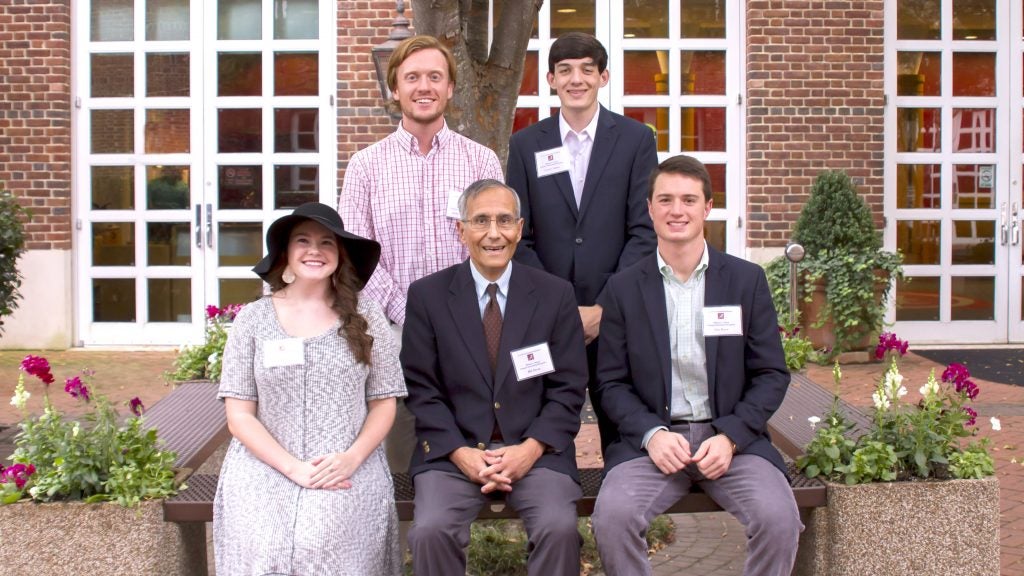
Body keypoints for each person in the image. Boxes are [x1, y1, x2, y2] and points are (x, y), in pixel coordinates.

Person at [590, 155, 802, 576]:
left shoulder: (745, 281)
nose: (676, 210)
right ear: (649, 208)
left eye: (689, 199)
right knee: (611, 520)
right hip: (652, 447)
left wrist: (730, 437)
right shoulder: (622, 289)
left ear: (707, 208)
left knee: (779, 520)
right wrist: (651, 435)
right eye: (665, 199)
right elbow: (609, 382)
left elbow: (771, 374)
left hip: (732, 443)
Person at [401, 179, 588, 576]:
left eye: (504, 221)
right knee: (430, 531)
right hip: (454, 455)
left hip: (538, 455)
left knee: (559, 528)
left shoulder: (555, 295)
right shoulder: (427, 297)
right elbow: (422, 390)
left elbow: (568, 388)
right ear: (461, 229)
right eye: (481, 220)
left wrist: (531, 448)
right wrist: (459, 452)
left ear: (519, 229)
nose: (493, 233)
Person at [339, 34, 504, 474]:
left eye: (435, 76)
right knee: (398, 454)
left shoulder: (481, 162)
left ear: (450, 87)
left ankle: (457, 540)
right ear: (394, 88)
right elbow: (355, 254)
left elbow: (494, 245)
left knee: (470, 449)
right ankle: (403, 541)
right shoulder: (365, 166)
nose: (423, 86)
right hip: (391, 328)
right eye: (412, 77)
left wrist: (449, 312)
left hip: (468, 325)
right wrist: (407, 309)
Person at [213, 202, 406, 576]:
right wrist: (292, 468)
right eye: (303, 241)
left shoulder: (366, 316)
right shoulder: (252, 320)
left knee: (323, 543)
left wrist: (351, 458)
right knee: (266, 545)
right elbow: (239, 416)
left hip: (345, 463)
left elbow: (384, 403)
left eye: (326, 243)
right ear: (285, 253)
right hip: (263, 465)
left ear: (340, 255)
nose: (314, 251)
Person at [505, 31, 658, 448]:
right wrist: (562, 307)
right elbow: (519, 233)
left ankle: (621, 504)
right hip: (546, 314)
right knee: (546, 422)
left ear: (603, 77)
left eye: (587, 70)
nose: (577, 79)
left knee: (621, 424)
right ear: (551, 79)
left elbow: (644, 231)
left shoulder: (636, 140)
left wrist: (602, 308)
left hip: (617, 313)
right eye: (566, 70)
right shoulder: (524, 145)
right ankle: (554, 504)